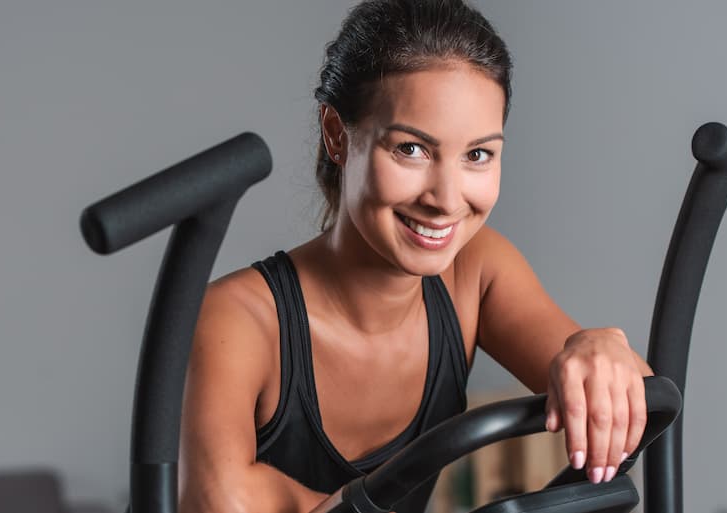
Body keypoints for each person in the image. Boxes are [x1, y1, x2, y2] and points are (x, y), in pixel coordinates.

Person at [178, 1, 653, 512]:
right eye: (411, 149)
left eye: (477, 155)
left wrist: (599, 351)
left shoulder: (476, 270)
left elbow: (636, 403)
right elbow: (216, 501)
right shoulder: (234, 318)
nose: (446, 199)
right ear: (337, 134)